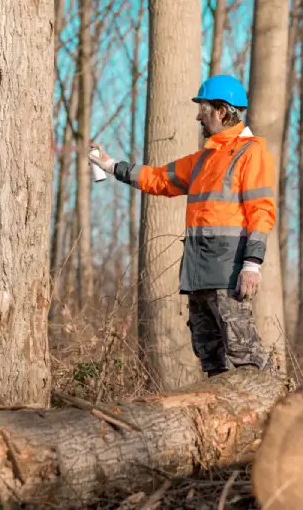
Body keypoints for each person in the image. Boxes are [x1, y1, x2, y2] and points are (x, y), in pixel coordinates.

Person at [88, 74, 277, 378]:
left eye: (204, 109)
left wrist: (252, 264)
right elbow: (159, 179)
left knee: (247, 362)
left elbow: (261, 211)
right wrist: (111, 166)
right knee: (212, 364)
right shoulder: (203, 160)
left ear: (222, 111)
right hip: (196, 275)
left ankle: (274, 406)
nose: (198, 116)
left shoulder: (251, 153)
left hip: (228, 276)